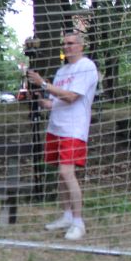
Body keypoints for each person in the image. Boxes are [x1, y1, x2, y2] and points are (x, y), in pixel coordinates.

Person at [27, 31, 99, 241]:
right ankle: (67, 216)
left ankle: (78, 222)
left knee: (67, 173)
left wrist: (42, 83)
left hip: (73, 129)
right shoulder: (62, 71)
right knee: (61, 175)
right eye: (64, 43)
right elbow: (56, 101)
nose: (67, 46)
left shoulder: (86, 66)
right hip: (56, 127)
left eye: (71, 43)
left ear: (81, 46)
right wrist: (41, 100)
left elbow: (70, 97)